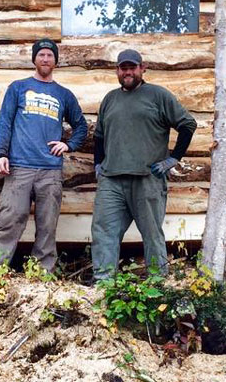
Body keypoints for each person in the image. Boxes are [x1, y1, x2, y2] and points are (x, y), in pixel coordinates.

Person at [91, 49, 196, 280]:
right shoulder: (110, 99)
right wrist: (98, 164)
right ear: (117, 71)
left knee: (151, 234)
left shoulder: (158, 95)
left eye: (132, 67)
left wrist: (173, 159)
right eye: (123, 68)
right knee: (103, 233)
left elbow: (188, 125)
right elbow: (99, 136)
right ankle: (103, 284)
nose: (127, 72)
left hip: (147, 178)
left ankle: (158, 285)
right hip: (111, 180)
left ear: (142, 68)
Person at [0, 39, 88, 272]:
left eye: (49, 55)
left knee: (47, 226)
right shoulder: (18, 87)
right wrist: (0, 154)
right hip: (19, 168)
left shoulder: (64, 94)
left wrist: (68, 145)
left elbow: (81, 126)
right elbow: (4, 123)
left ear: (55, 61)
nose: (45, 59)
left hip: (50, 171)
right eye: (41, 55)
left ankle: (42, 276)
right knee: (9, 221)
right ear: (34, 59)